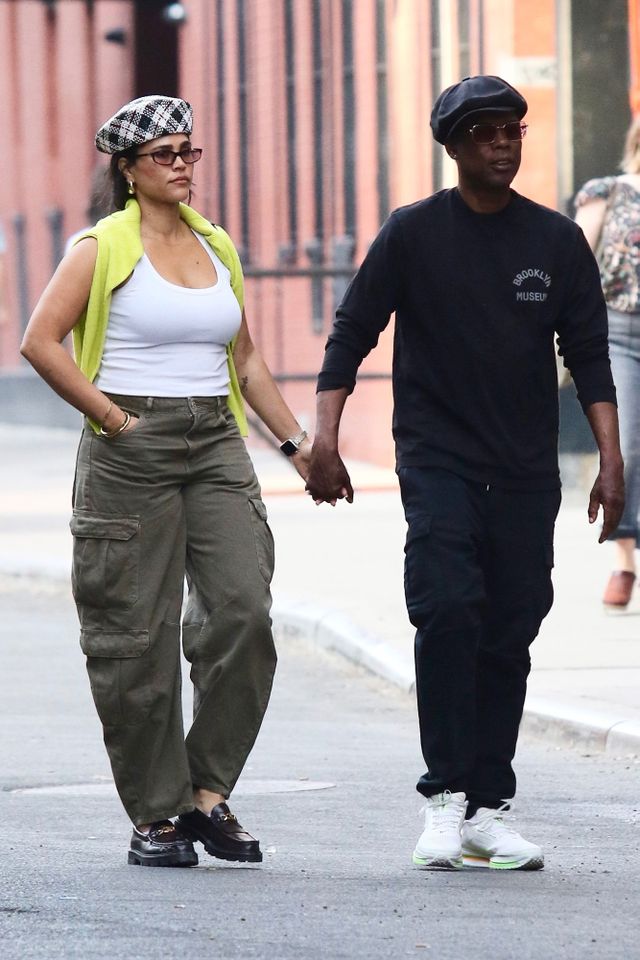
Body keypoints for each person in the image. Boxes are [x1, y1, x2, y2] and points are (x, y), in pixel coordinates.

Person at [306, 76, 624, 871]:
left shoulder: (554, 242)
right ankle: (445, 799)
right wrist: (324, 439)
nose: (503, 143)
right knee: (448, 610)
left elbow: (589, 355)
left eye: (512, 129)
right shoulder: (413, 234)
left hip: (524, 468)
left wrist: (614, 461)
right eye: (484, 132)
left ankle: (489, 808)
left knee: (512, 628)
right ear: (452, 147)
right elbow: (353, 331)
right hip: (438, 459)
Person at [21, 95, 312, 868]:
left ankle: (207, 795)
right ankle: (156, 814)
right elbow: (40, 342)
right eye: (166, 154)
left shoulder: (216, 246)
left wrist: (297, 444)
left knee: (244, 612)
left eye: (191, 151)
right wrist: (115, 422)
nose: (184, 165)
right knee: (134, 638)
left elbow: (246, 359)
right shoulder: (100, 246)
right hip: (130, 447)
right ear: (128, 169)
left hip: (215, 440)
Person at [574, 120, 640, 610]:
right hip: (620, 331)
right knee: (629, 445)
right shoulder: (609, 191)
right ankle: (624, 562)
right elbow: (574, 260)